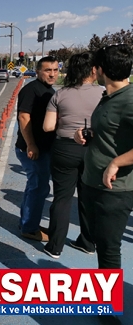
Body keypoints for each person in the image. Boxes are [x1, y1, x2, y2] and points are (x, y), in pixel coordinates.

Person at [73, 44, 133, 269]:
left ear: (99, 70)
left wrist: (116, 162)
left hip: (115, 190)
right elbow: (112, 130)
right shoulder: (108, 95)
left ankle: (109, 302)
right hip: (93, 182)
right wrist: (86, 134)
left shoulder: (129, 99)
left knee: (109, 248)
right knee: (100, 241)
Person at [42, 52, 103, 259]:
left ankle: (55, 245)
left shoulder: (60, 94)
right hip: (94, 151)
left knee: (62, 198)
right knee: (87, 198)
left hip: (65, 149)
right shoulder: (104, 94)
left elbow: (48, 126)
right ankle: (87, 242)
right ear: (93, 70)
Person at [15, 56, 59, 242]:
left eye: (55, 70)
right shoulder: (31, 90)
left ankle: (27, 222)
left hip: (43, 147)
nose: (52, 74)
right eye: (48, 70)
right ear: (38, 71)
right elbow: (24, 117)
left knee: (34, 186)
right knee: (39, 187)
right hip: (32, 149)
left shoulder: (49, 90)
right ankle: (30, 228)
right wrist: (31, 145)